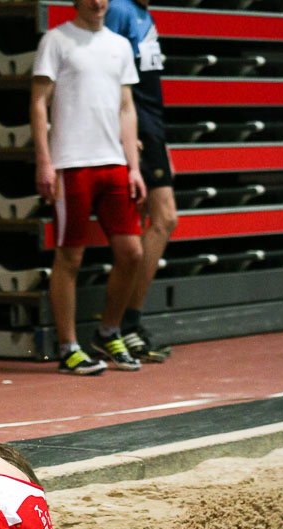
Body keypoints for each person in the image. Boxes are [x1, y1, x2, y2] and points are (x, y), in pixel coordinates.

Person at [31, 0, 147, 376]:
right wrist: (45, 162)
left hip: (114, 163)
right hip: (70, 164)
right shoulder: (56, 40)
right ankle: (68, 349)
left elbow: (126, 108)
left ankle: (108, 332)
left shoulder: (120, 45)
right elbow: (38, 102)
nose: (98, 2)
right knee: (70, 258)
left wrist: (134, 166)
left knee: (132, 252)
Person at [105, 0, 177, 363]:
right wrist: (124, 132)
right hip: (138, 128)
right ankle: (122, 325)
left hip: (152, 126)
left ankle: (127, 322)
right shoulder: (119, 9)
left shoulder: (146, 15)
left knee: (164, 220)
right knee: (162, 218)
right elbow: (109, 72)